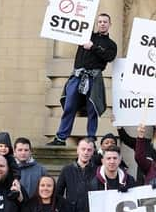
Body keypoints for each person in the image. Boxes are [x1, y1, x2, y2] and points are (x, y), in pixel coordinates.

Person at [48, 13, 117, 145]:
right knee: (69, 106)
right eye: (100, 21)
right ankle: (61, 137)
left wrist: (93, 47)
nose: (102, 24)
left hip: (94, 78)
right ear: (97, 23)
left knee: (92, 109)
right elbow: (74, 25)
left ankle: (91, 137)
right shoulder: (86, 36)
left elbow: (109, 57)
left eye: (105, 22)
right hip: (77, 76)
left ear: (109, 24)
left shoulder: (111, 44)